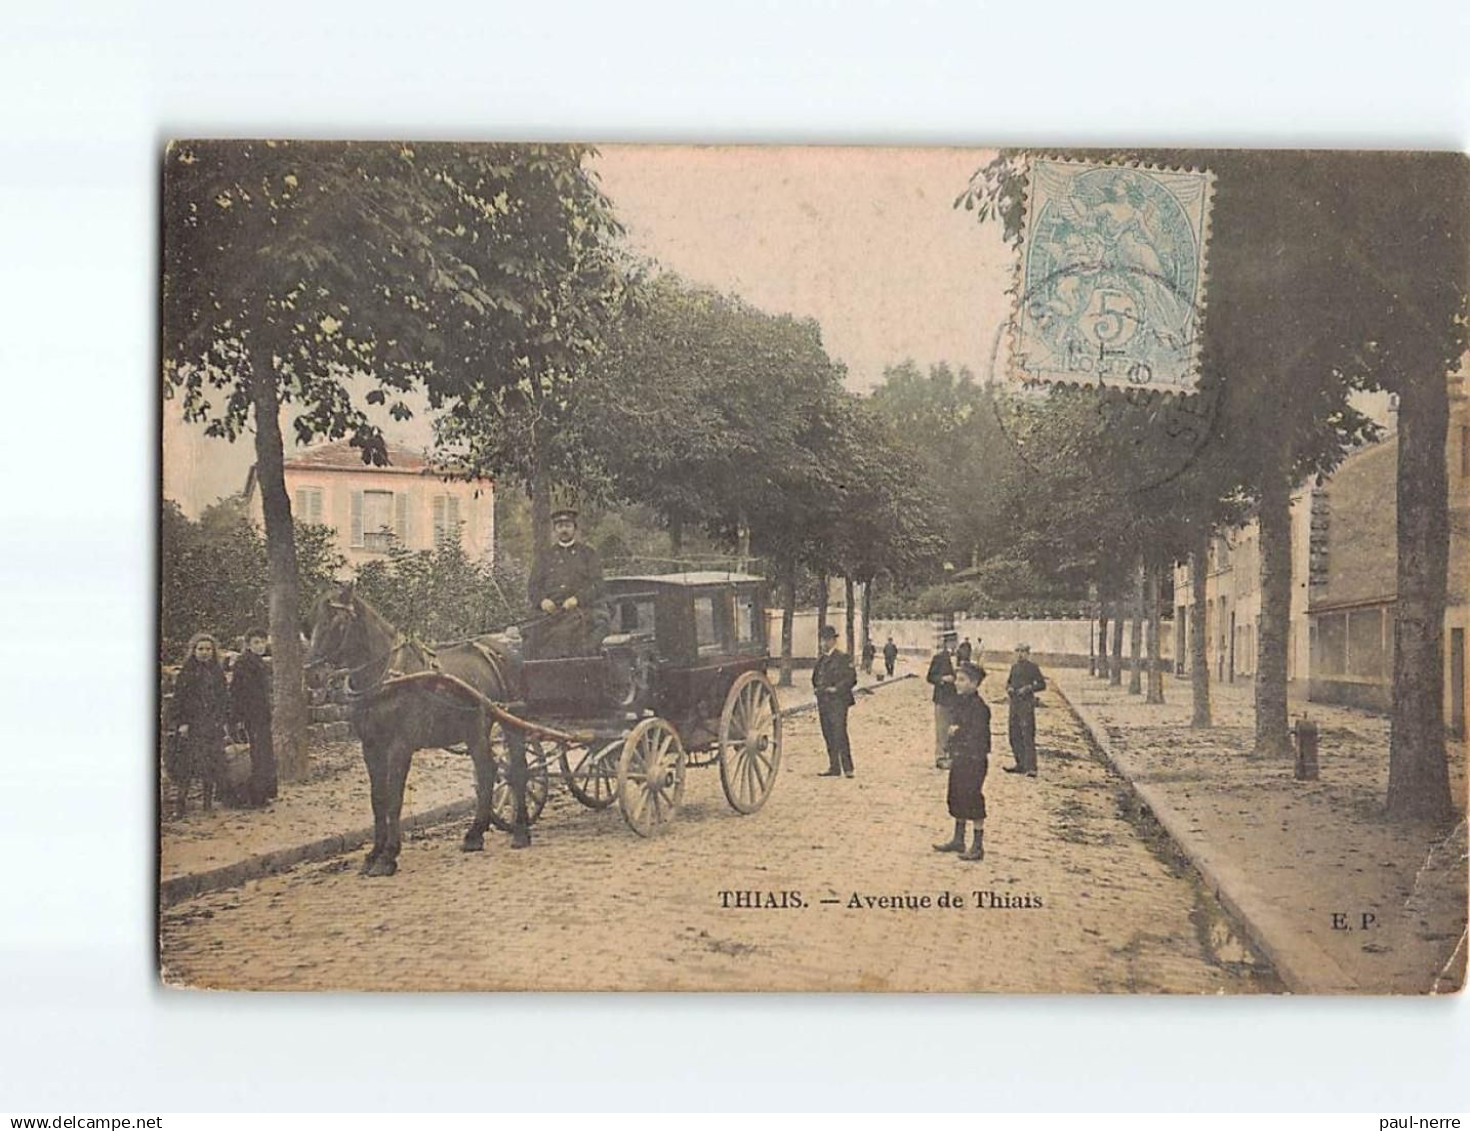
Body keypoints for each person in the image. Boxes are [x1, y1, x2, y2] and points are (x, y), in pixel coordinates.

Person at [526, 508, 609, 659]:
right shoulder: (545, 557)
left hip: (580, 611)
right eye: (560, 526)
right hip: (549, 613)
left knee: (565, 634)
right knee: (528, 636)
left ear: (575, 529)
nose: (564, 530)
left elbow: (598, 585)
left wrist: (577, 599)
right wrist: (542, 601)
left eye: (568, 526)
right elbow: (533, 587)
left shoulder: (588, 554)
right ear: (555, 530)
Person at [933, 662, 990, 861]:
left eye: (962, 680)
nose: (957, 683)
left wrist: (958, 732)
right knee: (956, 795)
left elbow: (977, 735)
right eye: (957, 679)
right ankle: (959, 839)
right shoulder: (960, 703)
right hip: (960, 758)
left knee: (972, 798)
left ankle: (977, 845)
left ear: (974, 684)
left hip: (974, 759)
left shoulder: (980, 708)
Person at [168, 632, 229, 815]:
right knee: (186, 765)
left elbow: (223, 699)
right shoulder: (187, 672)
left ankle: (207, 804)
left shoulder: (217, 672)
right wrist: (182, 723)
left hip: (211, 725)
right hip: (192, 726)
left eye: (208, 649)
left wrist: (222, 720)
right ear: (193, 651)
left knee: (210, 764)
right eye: (200, 649)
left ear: (213, 651)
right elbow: (179, 700)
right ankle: (181, 804)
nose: (204, 652)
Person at [229, 628, 277, 807]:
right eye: (256, 642)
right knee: (255, 755)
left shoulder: (259, 663)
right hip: (250, 715)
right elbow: (238, 692)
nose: (260, 646)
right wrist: (238, 717)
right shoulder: (243, 664)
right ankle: (253, 797)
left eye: (263, 642)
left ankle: (262, 794)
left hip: (261, 714)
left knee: (263, 753)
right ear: (248, 645)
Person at [813, 623, 857, 778]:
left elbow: (851, 679)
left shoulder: (843, 658)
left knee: (839, 733)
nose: (822, 643)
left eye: (825, 640)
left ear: (832, 641)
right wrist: (818, 690)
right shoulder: (821, 660)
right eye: (822, 640)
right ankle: (834, 767)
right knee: (828, 733)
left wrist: (836, 689)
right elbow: (815, 678)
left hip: (838, 701)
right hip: (824, 701)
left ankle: (848, 768)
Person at [1004, 643, 1047, 777]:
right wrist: (1009, 688)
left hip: (1026, 704)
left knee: (1027, 735)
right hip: (1014, 704)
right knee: (1013, 734)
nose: (1020, 654)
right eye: (1018, 651)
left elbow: (1042, 684)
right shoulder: (1014, 667)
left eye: (1023, 651)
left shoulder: (1033, 668)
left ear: (1028, 653)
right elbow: (1008, 682)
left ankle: (1031, 767)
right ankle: (1020, 764)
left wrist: (1028, 688)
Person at [926, 631, 959, 769]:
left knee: (955, 728)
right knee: (942, 729)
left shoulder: (962, 658)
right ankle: (940, 757)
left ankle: (952, 756)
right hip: (942, 698)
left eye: (954, 642)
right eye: (950, 642)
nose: (953, 645)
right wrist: (942, 680)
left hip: (958, 699)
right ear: (945, 644)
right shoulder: (938, 658)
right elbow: (930, 677)